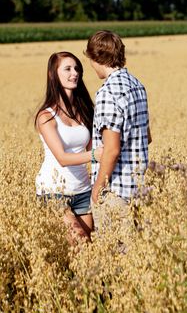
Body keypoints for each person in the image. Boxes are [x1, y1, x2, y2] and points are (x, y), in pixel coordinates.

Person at [85, 30, 152, 230]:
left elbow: (111, 149)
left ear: (96, 57)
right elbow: (147, 137)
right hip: (139, 190)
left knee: (115, 256)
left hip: (116, 192)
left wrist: (98, 188)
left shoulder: (107, 93)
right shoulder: (137, 85)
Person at [35, 51, 103, 241]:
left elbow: (93, 146)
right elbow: (63, 158)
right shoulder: (46, 116)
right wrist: (96, 155)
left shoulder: (84, 111)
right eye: (67, 69)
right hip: (54, 191)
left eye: (77, 69)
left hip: (82, 189)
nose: (75, 73)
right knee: (79, 239)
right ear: (53, 74)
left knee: (88, 242)